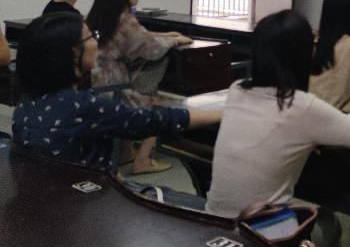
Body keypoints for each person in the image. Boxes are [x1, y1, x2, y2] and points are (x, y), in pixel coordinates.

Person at [206, 9, 350, 223]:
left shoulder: (237, 90)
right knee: (328, 219)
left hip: (214, 225)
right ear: (305, 55)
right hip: (262, 233)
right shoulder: (303, 106)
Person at [11, 13, 221, 168]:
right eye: (91, 37)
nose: (96, 42)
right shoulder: (83, 107)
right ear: (74, 53)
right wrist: (221, 113)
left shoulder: (28, 100)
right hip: (85, 204)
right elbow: (153, 120)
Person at [86, 0, 192, 175]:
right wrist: (174, 40)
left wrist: (164, 34)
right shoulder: (126, 20)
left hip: (94, 82)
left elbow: (139, 38)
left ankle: (125, 153)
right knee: (159, 107)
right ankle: (142, 160)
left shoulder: (101, 17)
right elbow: (150, 48)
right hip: (113, 86)